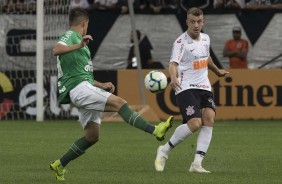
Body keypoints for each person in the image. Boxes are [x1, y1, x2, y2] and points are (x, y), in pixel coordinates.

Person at [49, 7, 174, 181]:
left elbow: (79, 73)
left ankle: (59, 165)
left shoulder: (78, 41)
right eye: (87, 25)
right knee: (120, 103)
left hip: (81, 86)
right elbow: (55, 49)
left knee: (92, 136)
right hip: (78, 89)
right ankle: (155, 130)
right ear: (84, 23)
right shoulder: (71, 36)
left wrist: (101, 84)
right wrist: (79, 44)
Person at [154, 7, 229, 173]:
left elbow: (206, 56)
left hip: (204, 85)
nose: (196, 25)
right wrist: (173, 77)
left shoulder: (206, 39)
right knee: (195, 123)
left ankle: (196, 164)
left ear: (203, 21)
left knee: (209, 118)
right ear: (187, 22)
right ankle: (164, 150)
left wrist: (216, 70)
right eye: (193, 21)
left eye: (199, 21)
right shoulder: (180, 43)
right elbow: (173, 63)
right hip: (185, 86)